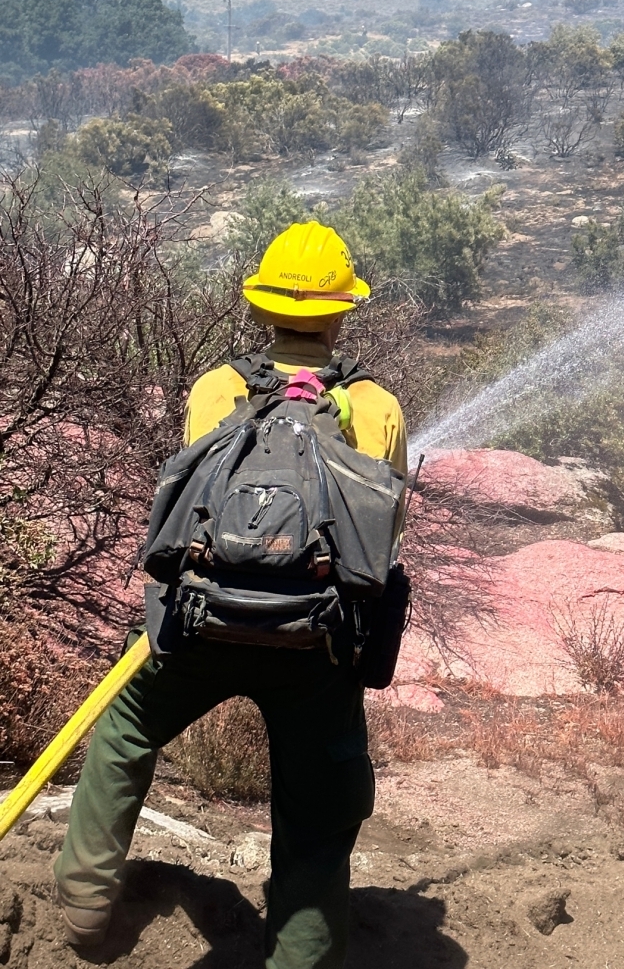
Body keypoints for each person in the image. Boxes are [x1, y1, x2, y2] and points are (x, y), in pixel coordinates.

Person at [54, 221, 407, 968]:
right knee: (316, 817)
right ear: (343, 311)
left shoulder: (218, 388)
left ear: (259, 306)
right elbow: (383, 538)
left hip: (198, 628)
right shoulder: (377, 407)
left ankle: (83, 912)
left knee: (124, 731)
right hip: (316, 648)